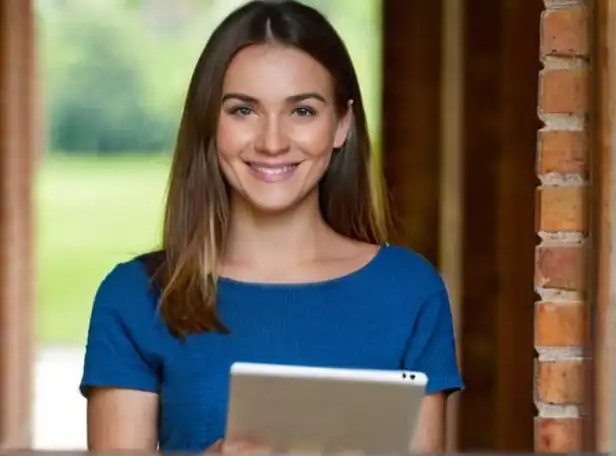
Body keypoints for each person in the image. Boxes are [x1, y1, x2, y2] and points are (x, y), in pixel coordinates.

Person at [79, 0, 463, 453]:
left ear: (341, 124)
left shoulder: (409, 292)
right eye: (243, 110)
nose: (273, 142)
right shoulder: (135, 297)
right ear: (210, 124)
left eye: (302, 111)